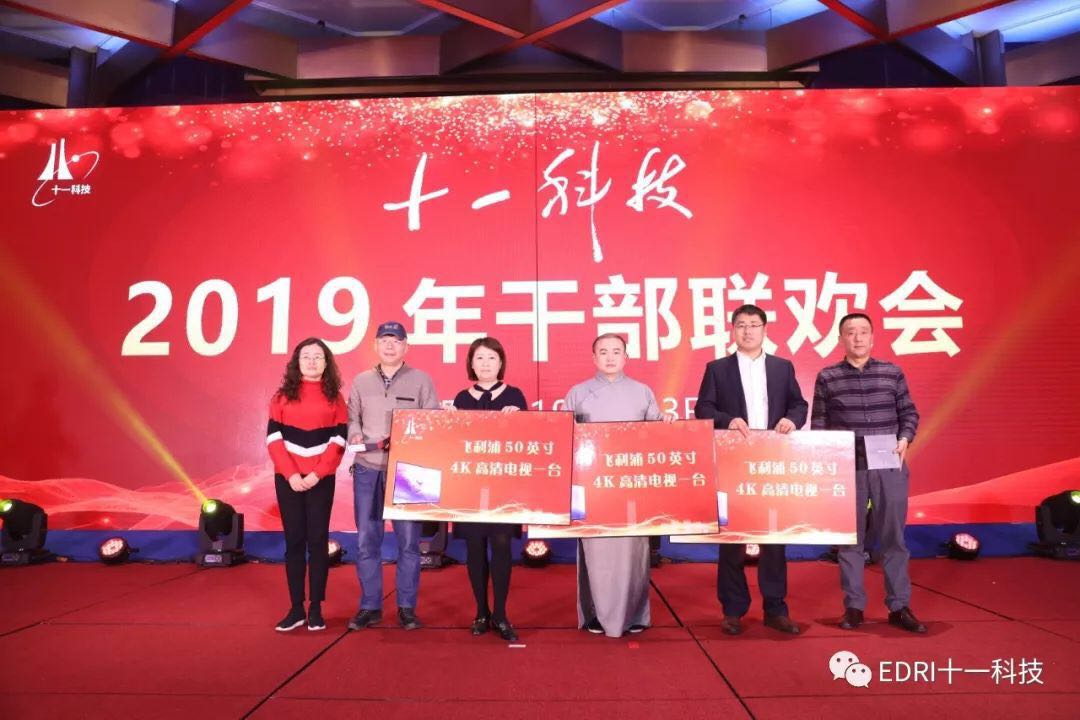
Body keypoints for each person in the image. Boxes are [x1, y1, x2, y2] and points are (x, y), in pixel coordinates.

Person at [694, 305, 808, 636]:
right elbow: (703, 407)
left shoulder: (782, 367)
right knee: (732, 539)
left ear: (764, 330)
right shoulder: (717, 369)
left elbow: (799, 404)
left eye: (754, 325)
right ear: (733, 331)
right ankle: (733, 611)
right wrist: (727, 420)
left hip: (772, 463)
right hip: (734, 463)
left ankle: (775, 609)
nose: (747, 331)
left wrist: (792, 420)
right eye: (741, 325)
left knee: (774, 538)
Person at [811, 313, 926, 634]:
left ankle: (899, 606)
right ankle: (854, 607)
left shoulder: (892, 372)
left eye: (863, 332)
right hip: (848, 468)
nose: (858, 337)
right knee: (850, 542)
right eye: (851, 332)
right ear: (841, 339)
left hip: (889, 464)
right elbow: (819, 424)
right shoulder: (828, 377)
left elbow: (909, 413)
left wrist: (905, 438)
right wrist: (827, 465)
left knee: (893, 539)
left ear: (873, 337)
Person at [564, 333, 675, 638]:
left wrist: (666, 422)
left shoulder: (642, 392)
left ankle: (635, 613)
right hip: (594, 487)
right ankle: (596, 614)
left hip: (631, 486)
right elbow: (565, 436)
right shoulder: (578, 393)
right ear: (593, 358)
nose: (610, 357)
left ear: (626, 357)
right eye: (603, 351)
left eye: (616, 351)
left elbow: (656, 434)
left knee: (634, 553)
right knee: (596, 551)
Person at [346, 321, 440, 631]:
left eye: (396, 341)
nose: (390, 346)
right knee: (366, 540)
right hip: (367, 468)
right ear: (375, 345)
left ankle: (407, 608)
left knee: (410, 543)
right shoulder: (360, 381)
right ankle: (370, 606)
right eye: (384, 340)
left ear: (406, 346)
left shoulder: (421, 380)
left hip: (408, 472)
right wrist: (357, 435)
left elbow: (433, 423)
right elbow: (352, 419)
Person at [266, 337, 347, 632]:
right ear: (296, 362)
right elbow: (273, 439)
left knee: (317, 541)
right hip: (288, 481)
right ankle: (296, 608)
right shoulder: (281, 397)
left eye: (318, 356)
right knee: (294, 542)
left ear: (326, 363)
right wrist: (291, 475)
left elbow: (339, 441)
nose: (312, 361)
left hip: (320, 481)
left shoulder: (335, 398)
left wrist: (317, 474)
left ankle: (315, 608)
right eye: (306, 356)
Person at [451, 336, 528, 643]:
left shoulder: (515, 396)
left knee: (501, 546)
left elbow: (529, 443)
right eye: (480, 358)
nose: (485, 364)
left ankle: (501, 614)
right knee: (474, 549)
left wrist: (518, 420)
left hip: (503, 487)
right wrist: (449, 423)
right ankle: (481, 612)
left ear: (501, 363)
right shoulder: (461, 399)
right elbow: (453, 445)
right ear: (471, 363)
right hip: (469, 487)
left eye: (492, 358)